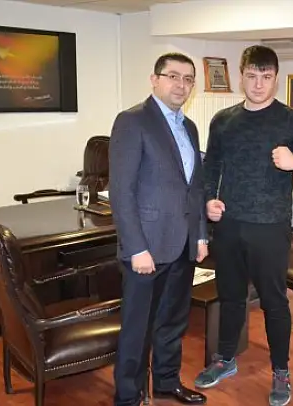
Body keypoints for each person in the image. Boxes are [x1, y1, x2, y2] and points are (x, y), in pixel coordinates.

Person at [194, 45, 293, 406]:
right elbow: (211, 167)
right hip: (229, 225)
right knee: (230, 296)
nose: (258, 84)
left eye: (266, 77)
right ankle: (225, 358)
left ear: (276, 79)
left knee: (273, 302)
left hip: (270, 227)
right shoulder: (224, 120)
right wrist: (208, 201)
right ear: (241, 76)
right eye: (252, 76)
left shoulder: (292, 121)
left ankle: (281, 371)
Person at [110, 52, 209, 406]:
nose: (181, 84)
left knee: (172, 322)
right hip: (146, 249)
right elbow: (121, 191)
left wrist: (200, 234)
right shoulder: (132, 121)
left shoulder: (189, 127)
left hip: (182, 245)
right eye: (173, 76)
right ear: (154, 80)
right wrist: (136, 247)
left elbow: (195, 187)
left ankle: (167, 382)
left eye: (188, 79)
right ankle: (128, 396)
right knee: (137, 330)